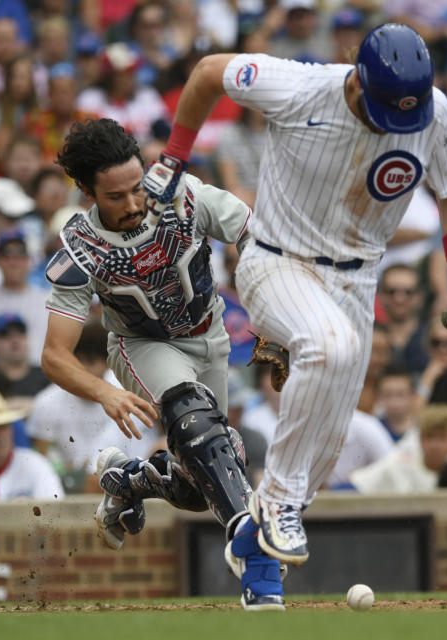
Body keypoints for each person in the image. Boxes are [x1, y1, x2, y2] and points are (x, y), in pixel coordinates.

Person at [140, 25, 447, 592]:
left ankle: (256, 555)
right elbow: (207, 74)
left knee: (323, 454)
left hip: (357, 281)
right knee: (330, 348)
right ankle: (272, 505)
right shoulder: (299, 87)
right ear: (358, 82)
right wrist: (175, 157)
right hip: (276, 259)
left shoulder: (434, 113)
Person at [41, 118, 270, 607]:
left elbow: (256, 235)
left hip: (210, 335)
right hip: (142, 345)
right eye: (115, 197)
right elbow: (54, 354)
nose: (132, 204)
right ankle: (254, 553)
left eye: (135, 189)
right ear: (86, 190)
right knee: (194, 420)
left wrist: (272, 314)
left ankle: (128, 481)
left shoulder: (183, 194)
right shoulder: (80, 249)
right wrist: (104, 391)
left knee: (199, 482)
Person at [28, 322, 161, 474]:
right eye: (76, 360)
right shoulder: (46, 402)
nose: (82, 368)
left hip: (127, 477)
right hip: (70, 486)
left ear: (107, 363)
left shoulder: (129, 391)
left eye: (90, 361)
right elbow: (43, 461)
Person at [350, 403, 447, 494]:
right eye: (429, 437)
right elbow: (356, 485)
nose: (435, 445)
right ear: (420, 439)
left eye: (442, 438)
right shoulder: (398, 464)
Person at [0, 229, 49, 365]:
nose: (14, 261)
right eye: (7, 254)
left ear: (28, 260)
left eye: (20, 254)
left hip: (42, 375)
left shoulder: (49, 301)